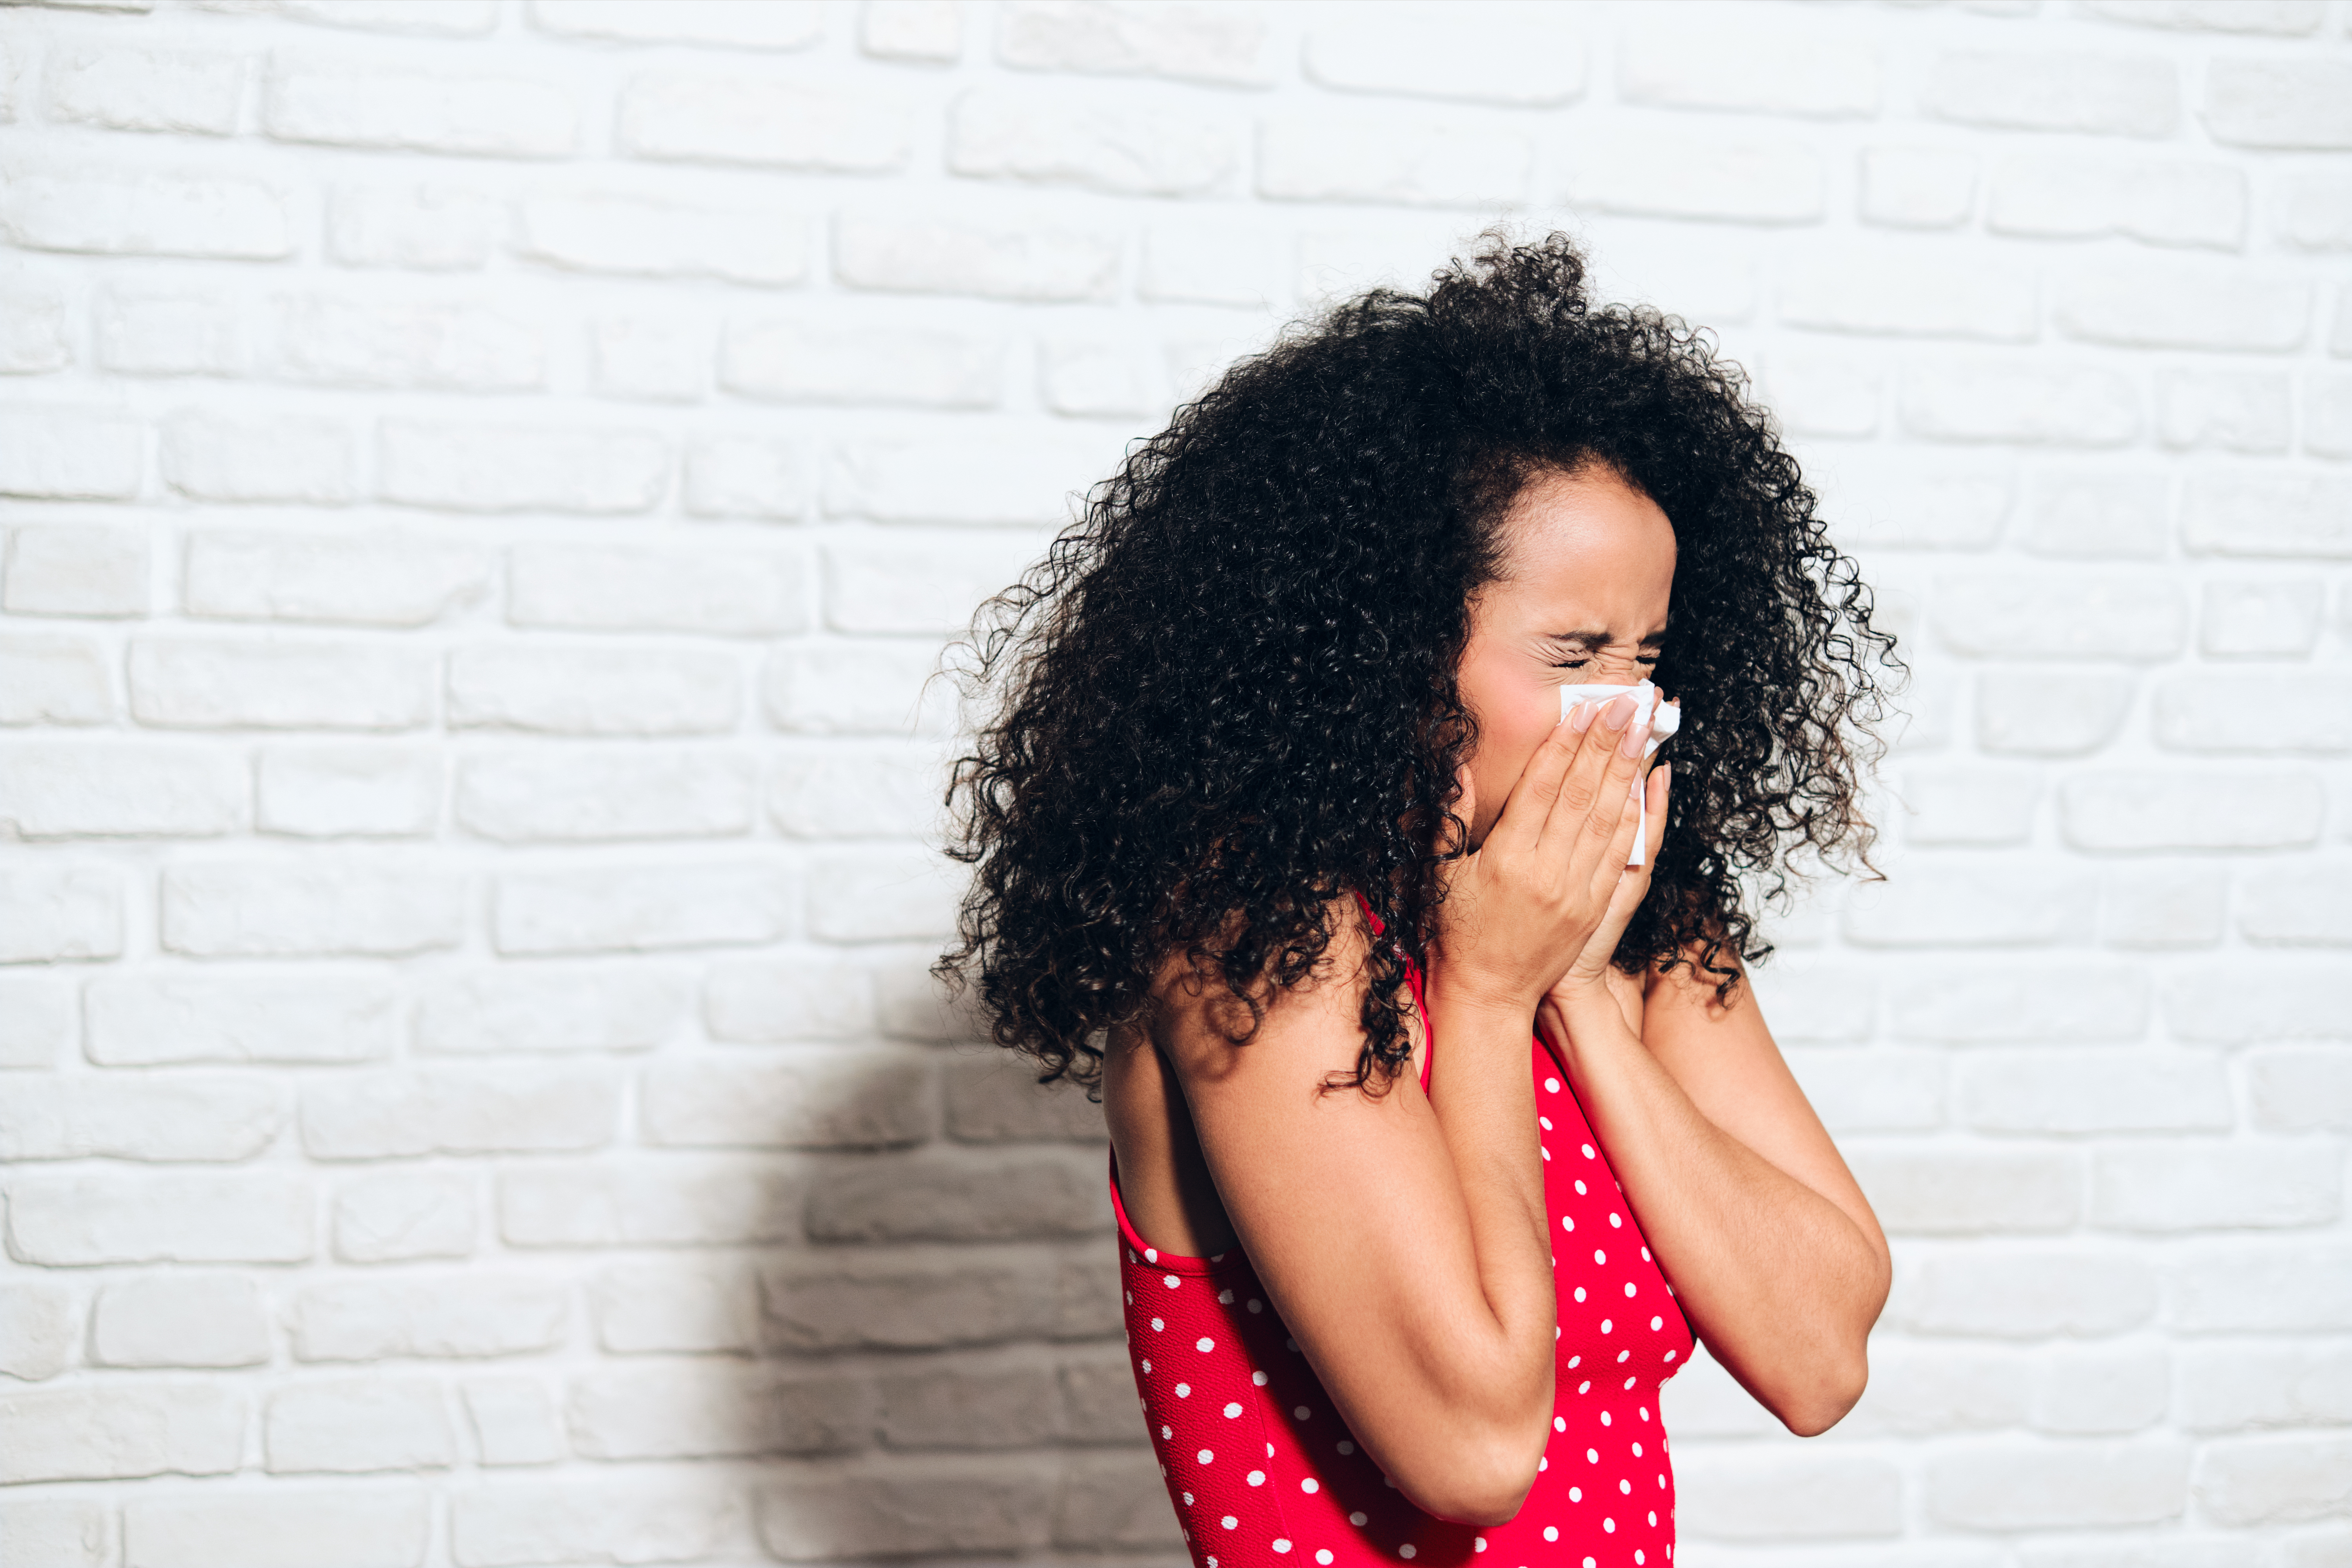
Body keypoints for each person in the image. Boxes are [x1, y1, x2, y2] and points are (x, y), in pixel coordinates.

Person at [939, 233, 1896, 1568]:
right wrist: (1493, 994)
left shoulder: (1640, 937)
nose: (1632, 710)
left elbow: (1821, 1355)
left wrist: (1576, 988)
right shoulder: (1254, 943)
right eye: (1573, 653)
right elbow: (1476, 1449)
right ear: (1386, 651)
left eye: (1652, 655)